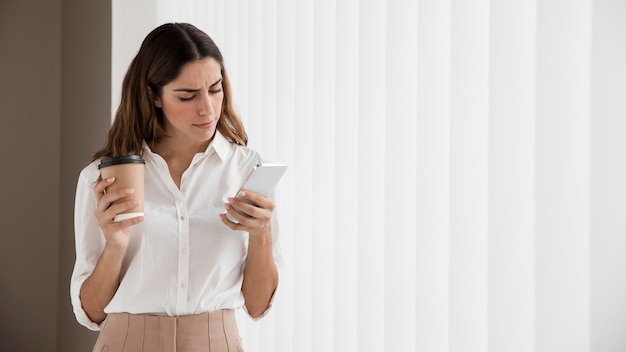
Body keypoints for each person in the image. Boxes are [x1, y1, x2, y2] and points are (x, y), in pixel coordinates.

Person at [70, 22, 282, 352]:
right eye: (188, 96)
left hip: (218, 342)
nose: (208, 108)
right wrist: (115, 244)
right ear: (153, 96)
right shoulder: (101, 180)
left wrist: (261, 233)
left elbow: (257, 306)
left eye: (215, 89)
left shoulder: (249, 170)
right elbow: (92, 312)